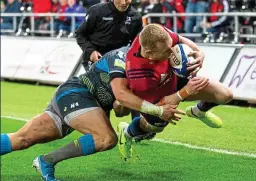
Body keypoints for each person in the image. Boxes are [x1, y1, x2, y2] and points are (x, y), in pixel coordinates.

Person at [1, 45, 207, 181]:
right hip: (77, 95)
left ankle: (45, 161)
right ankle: (46, 160)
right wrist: (160, 108)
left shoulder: (148, 65)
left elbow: (119, 108)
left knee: (21, 140)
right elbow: (121, 98)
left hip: (80, 100)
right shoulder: (128, 62)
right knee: (106, 138)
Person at [117, 24, 233, 160]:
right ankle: (126, 133)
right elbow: (159, 106)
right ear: (150, 54)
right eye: (167, 51)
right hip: (158, 97)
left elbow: (180, 39)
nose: (172, 52)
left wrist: (199, 52)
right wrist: (185, 92)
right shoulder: (139, 76)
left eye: (171, 46)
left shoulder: (155, 34)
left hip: (175, 78)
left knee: (225, 95)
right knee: (154, 127)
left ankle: (198, 111)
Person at [75, 0, 143, 119]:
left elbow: (136, 44)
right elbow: (80, 34)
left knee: (134, 90)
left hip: (119, 60)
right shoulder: (97, 11)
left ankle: (137, 128)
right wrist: (91, 51)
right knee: (102, 97)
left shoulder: (135, 17)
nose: (123, 2)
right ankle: (102, 131)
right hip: (97, 60)